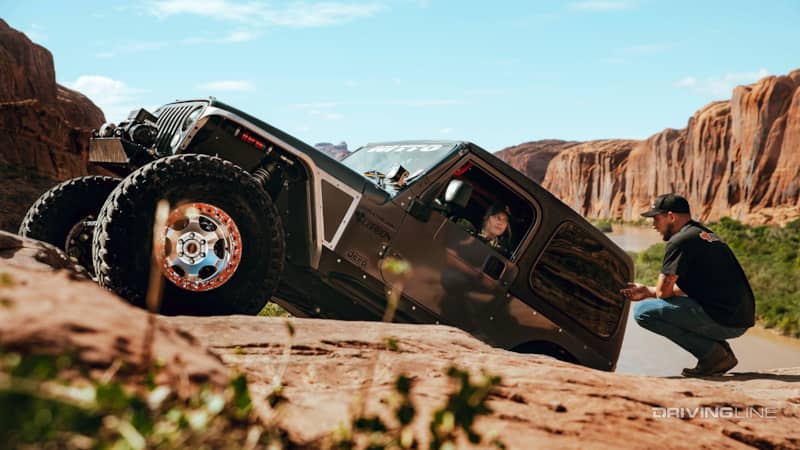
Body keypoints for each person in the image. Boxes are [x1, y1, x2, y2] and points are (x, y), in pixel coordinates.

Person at [620, 193, 755, 377]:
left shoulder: (679, 241)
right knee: (654, 304)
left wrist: (654, 293)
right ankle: (722, 353)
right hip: (739, 318)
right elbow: (691, 287)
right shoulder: (702, 234)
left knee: (643, 312)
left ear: (671, 217)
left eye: (656, 219)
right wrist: (647, 291)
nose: (653, 225)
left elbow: (664, 293)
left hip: (725, 321)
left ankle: (713, 355)